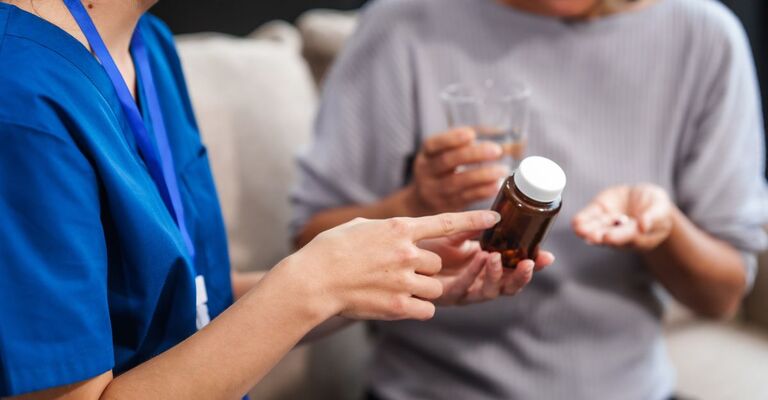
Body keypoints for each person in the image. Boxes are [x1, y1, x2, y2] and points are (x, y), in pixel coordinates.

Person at [0, 0, 554, 399]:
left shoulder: (146, 46)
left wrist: (368, 276)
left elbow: (195, 305)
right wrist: (311, 283)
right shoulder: (22, 102)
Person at [291, 0, 768, 398]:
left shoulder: (704, 37)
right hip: (428, 387)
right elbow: (309, 249)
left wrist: (664, 230)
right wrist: (411, 204)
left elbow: (722, 296)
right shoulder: (403, 23)